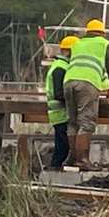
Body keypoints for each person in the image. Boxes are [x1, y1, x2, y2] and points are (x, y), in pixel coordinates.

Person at [63, 19, 109, 162]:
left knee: (73, 122)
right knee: (87, 123)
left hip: (68, 81)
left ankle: (71, 159)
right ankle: (82, 160)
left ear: (87, 32)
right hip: (88, 83)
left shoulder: (77, 43)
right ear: (102, 33)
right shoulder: (104, 44)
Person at [46, 36, 78, 169]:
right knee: (63, 146)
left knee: (63, 145)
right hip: (60, 113)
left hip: (61, 113)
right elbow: (59, 93)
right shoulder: (60, 68)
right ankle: (54, 169)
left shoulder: (62, 66)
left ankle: (55, 168)